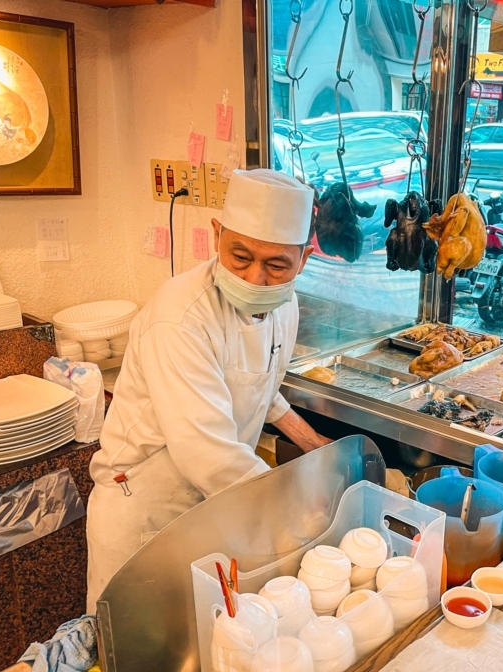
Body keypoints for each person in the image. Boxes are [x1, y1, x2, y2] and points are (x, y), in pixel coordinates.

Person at [85, 169, 331, 611]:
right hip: (147, 504)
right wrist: (296, 516)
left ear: (304, 260)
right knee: (139, 646)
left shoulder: (284, 302)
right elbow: (208, 452)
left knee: (211, 640)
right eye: (240, 256)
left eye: (277, 265)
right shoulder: (180, 318)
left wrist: (311, 441)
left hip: (220, 497)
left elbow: (258, 382)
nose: (256, 278)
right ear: (217, 235)